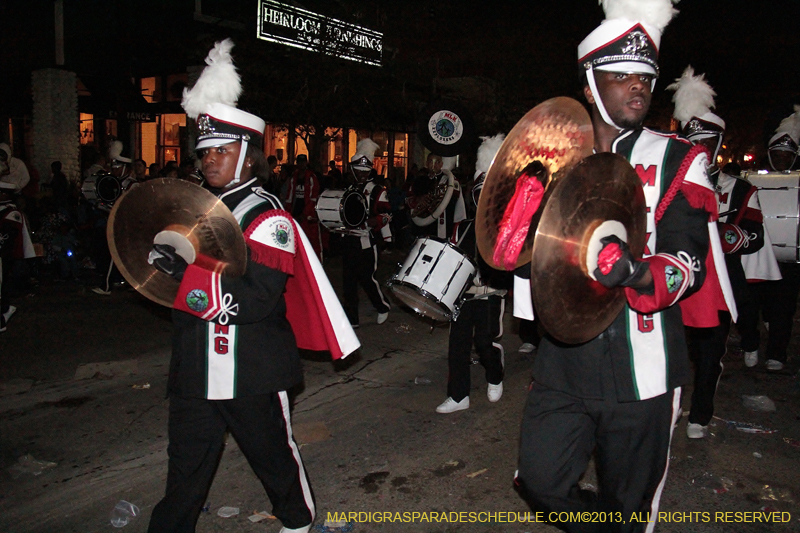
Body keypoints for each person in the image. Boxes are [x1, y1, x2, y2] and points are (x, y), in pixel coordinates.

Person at [514, 1, 732, 529]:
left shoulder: (679, 159)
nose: (638, 86)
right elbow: (527, 264)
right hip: (564, 364)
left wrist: (635, 271)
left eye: (645, 77)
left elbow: (687, 261)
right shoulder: (549, 159)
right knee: (538, 480)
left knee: (632, 508)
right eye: (621, 76)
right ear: (590, 85)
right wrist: (516, 237)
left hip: (646, 369)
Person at [146, 39, 358, 533]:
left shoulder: (270, 218)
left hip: (249, 366)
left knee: (273, 458)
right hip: (198, 363)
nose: (210, 160)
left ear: (246, 155)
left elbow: (257, 301)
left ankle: (298, 521)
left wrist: (185, 277)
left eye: (221, 150)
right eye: (205, 152)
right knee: (185, 469)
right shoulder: (199, 206)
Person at [668, 67, 780, 439]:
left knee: (709, 352)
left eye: (707, 143)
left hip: (720, 279)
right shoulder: (665, 184)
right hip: (672, 277)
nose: (700, 150)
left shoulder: (739, 188)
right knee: (668, 352)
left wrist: (724, 232)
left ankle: (701, 412)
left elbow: (754, 235)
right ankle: (666, 412)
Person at [436, 135, 508, 413]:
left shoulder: (504, 230)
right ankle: (458, 396)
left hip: (490, 295)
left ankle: (495, 372)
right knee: (457, 346)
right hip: (464, 297)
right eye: (480, 195)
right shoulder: (462, 227)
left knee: (484, 343)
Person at [756, 106, 800, 371]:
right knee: (762, 303)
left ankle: (777, 352)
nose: (782, 159)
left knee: (785, 305)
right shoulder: (754, 181)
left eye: (787, 155)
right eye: (778, 154)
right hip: (761, 254)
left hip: (792, 259)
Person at [340, 138, 392, 328]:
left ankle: (383, 306)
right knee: (348, 282)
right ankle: (352, 318)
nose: (361, 174)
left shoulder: (377, 190)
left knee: (367, 278)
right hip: (349, 238)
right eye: (358, 171)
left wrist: (375, 221)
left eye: (365, 171)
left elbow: (387, 214)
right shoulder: (349, 189)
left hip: (367, 241)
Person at [407, 152, 466, 240]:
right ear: (426, 163)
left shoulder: (448, 180)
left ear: (441, 164)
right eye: (431, 161)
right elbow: (408, 199)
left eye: (437, 162)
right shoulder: (419, 180)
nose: (434, 165)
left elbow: (455, 201)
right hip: (422, 226)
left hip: (441, 226)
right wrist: (419, 200)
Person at [285, 154, 322, 259]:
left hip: (307, 214)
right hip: (296, 211)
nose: (301, 164)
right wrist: (289, 212)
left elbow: (313, 197)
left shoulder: (311, 177)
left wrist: (305, 213)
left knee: (311, 240)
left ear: (306, 163)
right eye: (299, 162)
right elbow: (290, 195)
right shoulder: (294, 177)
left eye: (303, 162)